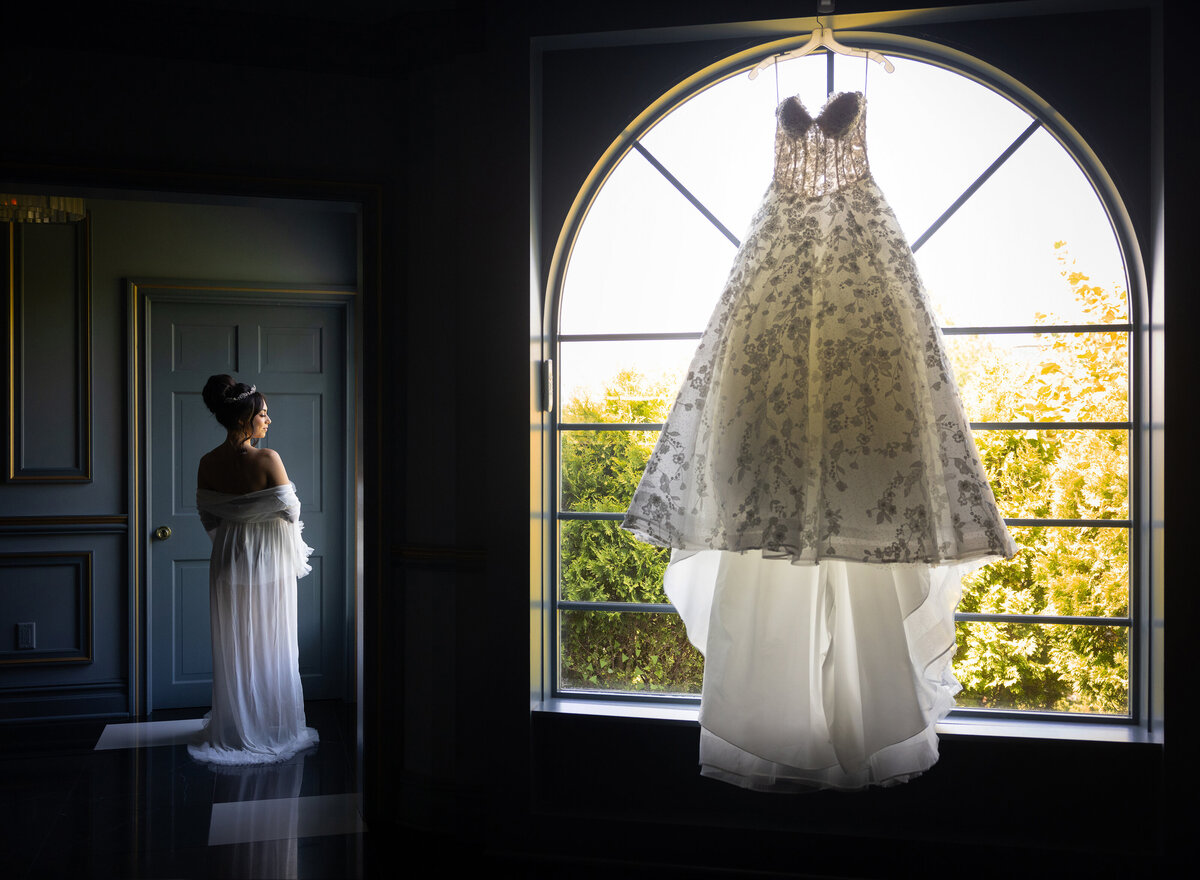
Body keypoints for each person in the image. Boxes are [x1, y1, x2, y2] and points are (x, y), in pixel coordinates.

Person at [188, 374, 318, 764]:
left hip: (229, 553)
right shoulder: (268, 459)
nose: (268, 421)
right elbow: (291, 511)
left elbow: (208, 517)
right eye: (263, 414)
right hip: (268, 555)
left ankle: (238, 721)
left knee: (237, 641)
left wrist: (233, 534)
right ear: (245, 418)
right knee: (271, 639)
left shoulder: (207, 462)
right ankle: (271, 724)